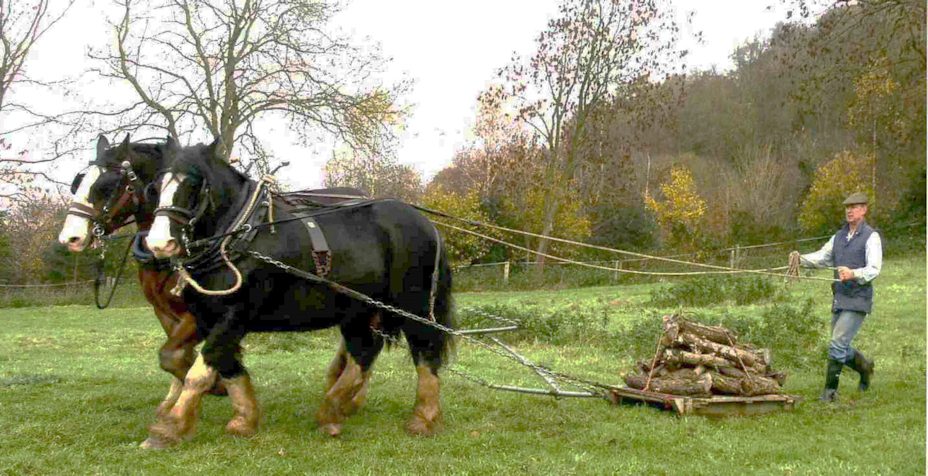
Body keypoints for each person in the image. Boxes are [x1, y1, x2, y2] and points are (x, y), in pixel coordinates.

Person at [790, 192, 881, 402]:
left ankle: (830, 392)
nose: (850, 210)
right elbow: (823, 257)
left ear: (864, 209)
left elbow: (874, 268)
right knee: (839, 345)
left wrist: (854, 273)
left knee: (838, 344)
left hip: (858, 298)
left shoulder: (871, 237)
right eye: (847, 207)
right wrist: (800, 259)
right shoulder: (838, 236)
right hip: (840, 298)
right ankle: (865, 367)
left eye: (855, 207)